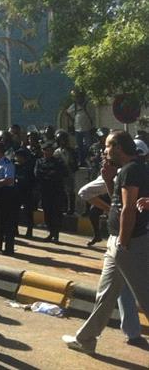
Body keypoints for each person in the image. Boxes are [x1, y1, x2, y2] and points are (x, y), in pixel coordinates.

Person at [63, 131, 149, 353]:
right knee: (106, 295)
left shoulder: (132, 170)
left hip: (129, 243)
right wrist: (109, 180)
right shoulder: (126, 170)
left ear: (119, 147)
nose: (105, 150)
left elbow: (129, 209)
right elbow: (117, 203)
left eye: (108, 146)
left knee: (145, 296)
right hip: (117, 242)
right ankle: (86, 339)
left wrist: (123, 243)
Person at [35, 141, 68, 243]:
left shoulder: (58, 162)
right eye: (46, 150)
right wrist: (49, 175)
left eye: (50, 150)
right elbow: (37, 173)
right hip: (45, 191)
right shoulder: (39, 161)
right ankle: (51, 232)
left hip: (57, 191)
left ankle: (56, 234)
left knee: (56, 213)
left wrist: (48, 175)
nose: (48, 152)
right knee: (47, 213)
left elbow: (62, 173)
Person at [0, 141, 17, 254]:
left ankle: (9, 248)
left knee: (7, 222)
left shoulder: (7, 163)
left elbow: (9, 180)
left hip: (6, 194)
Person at [66, 90, 94, 166]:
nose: (78, 99)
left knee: (88, 145)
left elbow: (92, 115)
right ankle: (81, 161)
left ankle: (88, 159)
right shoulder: (74, 106)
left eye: (80, 97)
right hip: (77, 129)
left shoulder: (88, 104)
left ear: (83, 97)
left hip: (87, 128)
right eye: (77, 97)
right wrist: (73, 121)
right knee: (79, 146)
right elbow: (67, 112)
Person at [54, 130, 78, 215]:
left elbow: (75, 164)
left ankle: (71, 208)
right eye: (61, 140)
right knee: (61, 191)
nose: (63, 142)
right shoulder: (56, 152)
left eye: (64, 140)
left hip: (69, 174)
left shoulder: (72, 151)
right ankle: (63, 207)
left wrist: (71, 166)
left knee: (70, 192)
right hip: (60, 174)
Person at [14, 148, 36, 238]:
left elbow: (32, 180)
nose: (17, 158)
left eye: (19, 156)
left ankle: (29, 231)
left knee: (28, 212)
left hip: (27, 192)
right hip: (16, 192)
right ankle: (15, 230)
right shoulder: (14, 166)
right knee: (15, 212)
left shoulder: (29, 167)